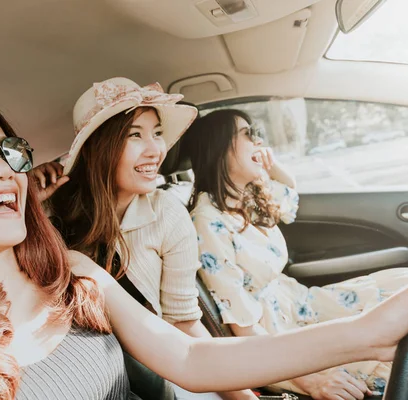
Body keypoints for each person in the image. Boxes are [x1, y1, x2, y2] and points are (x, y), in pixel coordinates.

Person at [0, 91, 408, 400]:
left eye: (10, 152)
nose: (4, 171)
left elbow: (189, 359)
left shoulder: (71, 271)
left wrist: (369, 330)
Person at [33, 77, 255, 399]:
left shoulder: (168, 213)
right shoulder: (51, 212)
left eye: (158, 134)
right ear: (99, 147)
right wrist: (28, 203)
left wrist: (245, 397)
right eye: (135, 135)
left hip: (155, 374)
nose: (156, 151)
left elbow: (183, 322)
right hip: (76, 375)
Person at [185, 108, 408, 400]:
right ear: (218, 147)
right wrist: (311, 380)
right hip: (280, 338)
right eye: (249, 134)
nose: (259, 141)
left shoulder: (244, 196)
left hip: (302, 304)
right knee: (404, 351)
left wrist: (269, 165)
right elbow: (243, 330)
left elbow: (289, 196)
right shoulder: (207, 221)